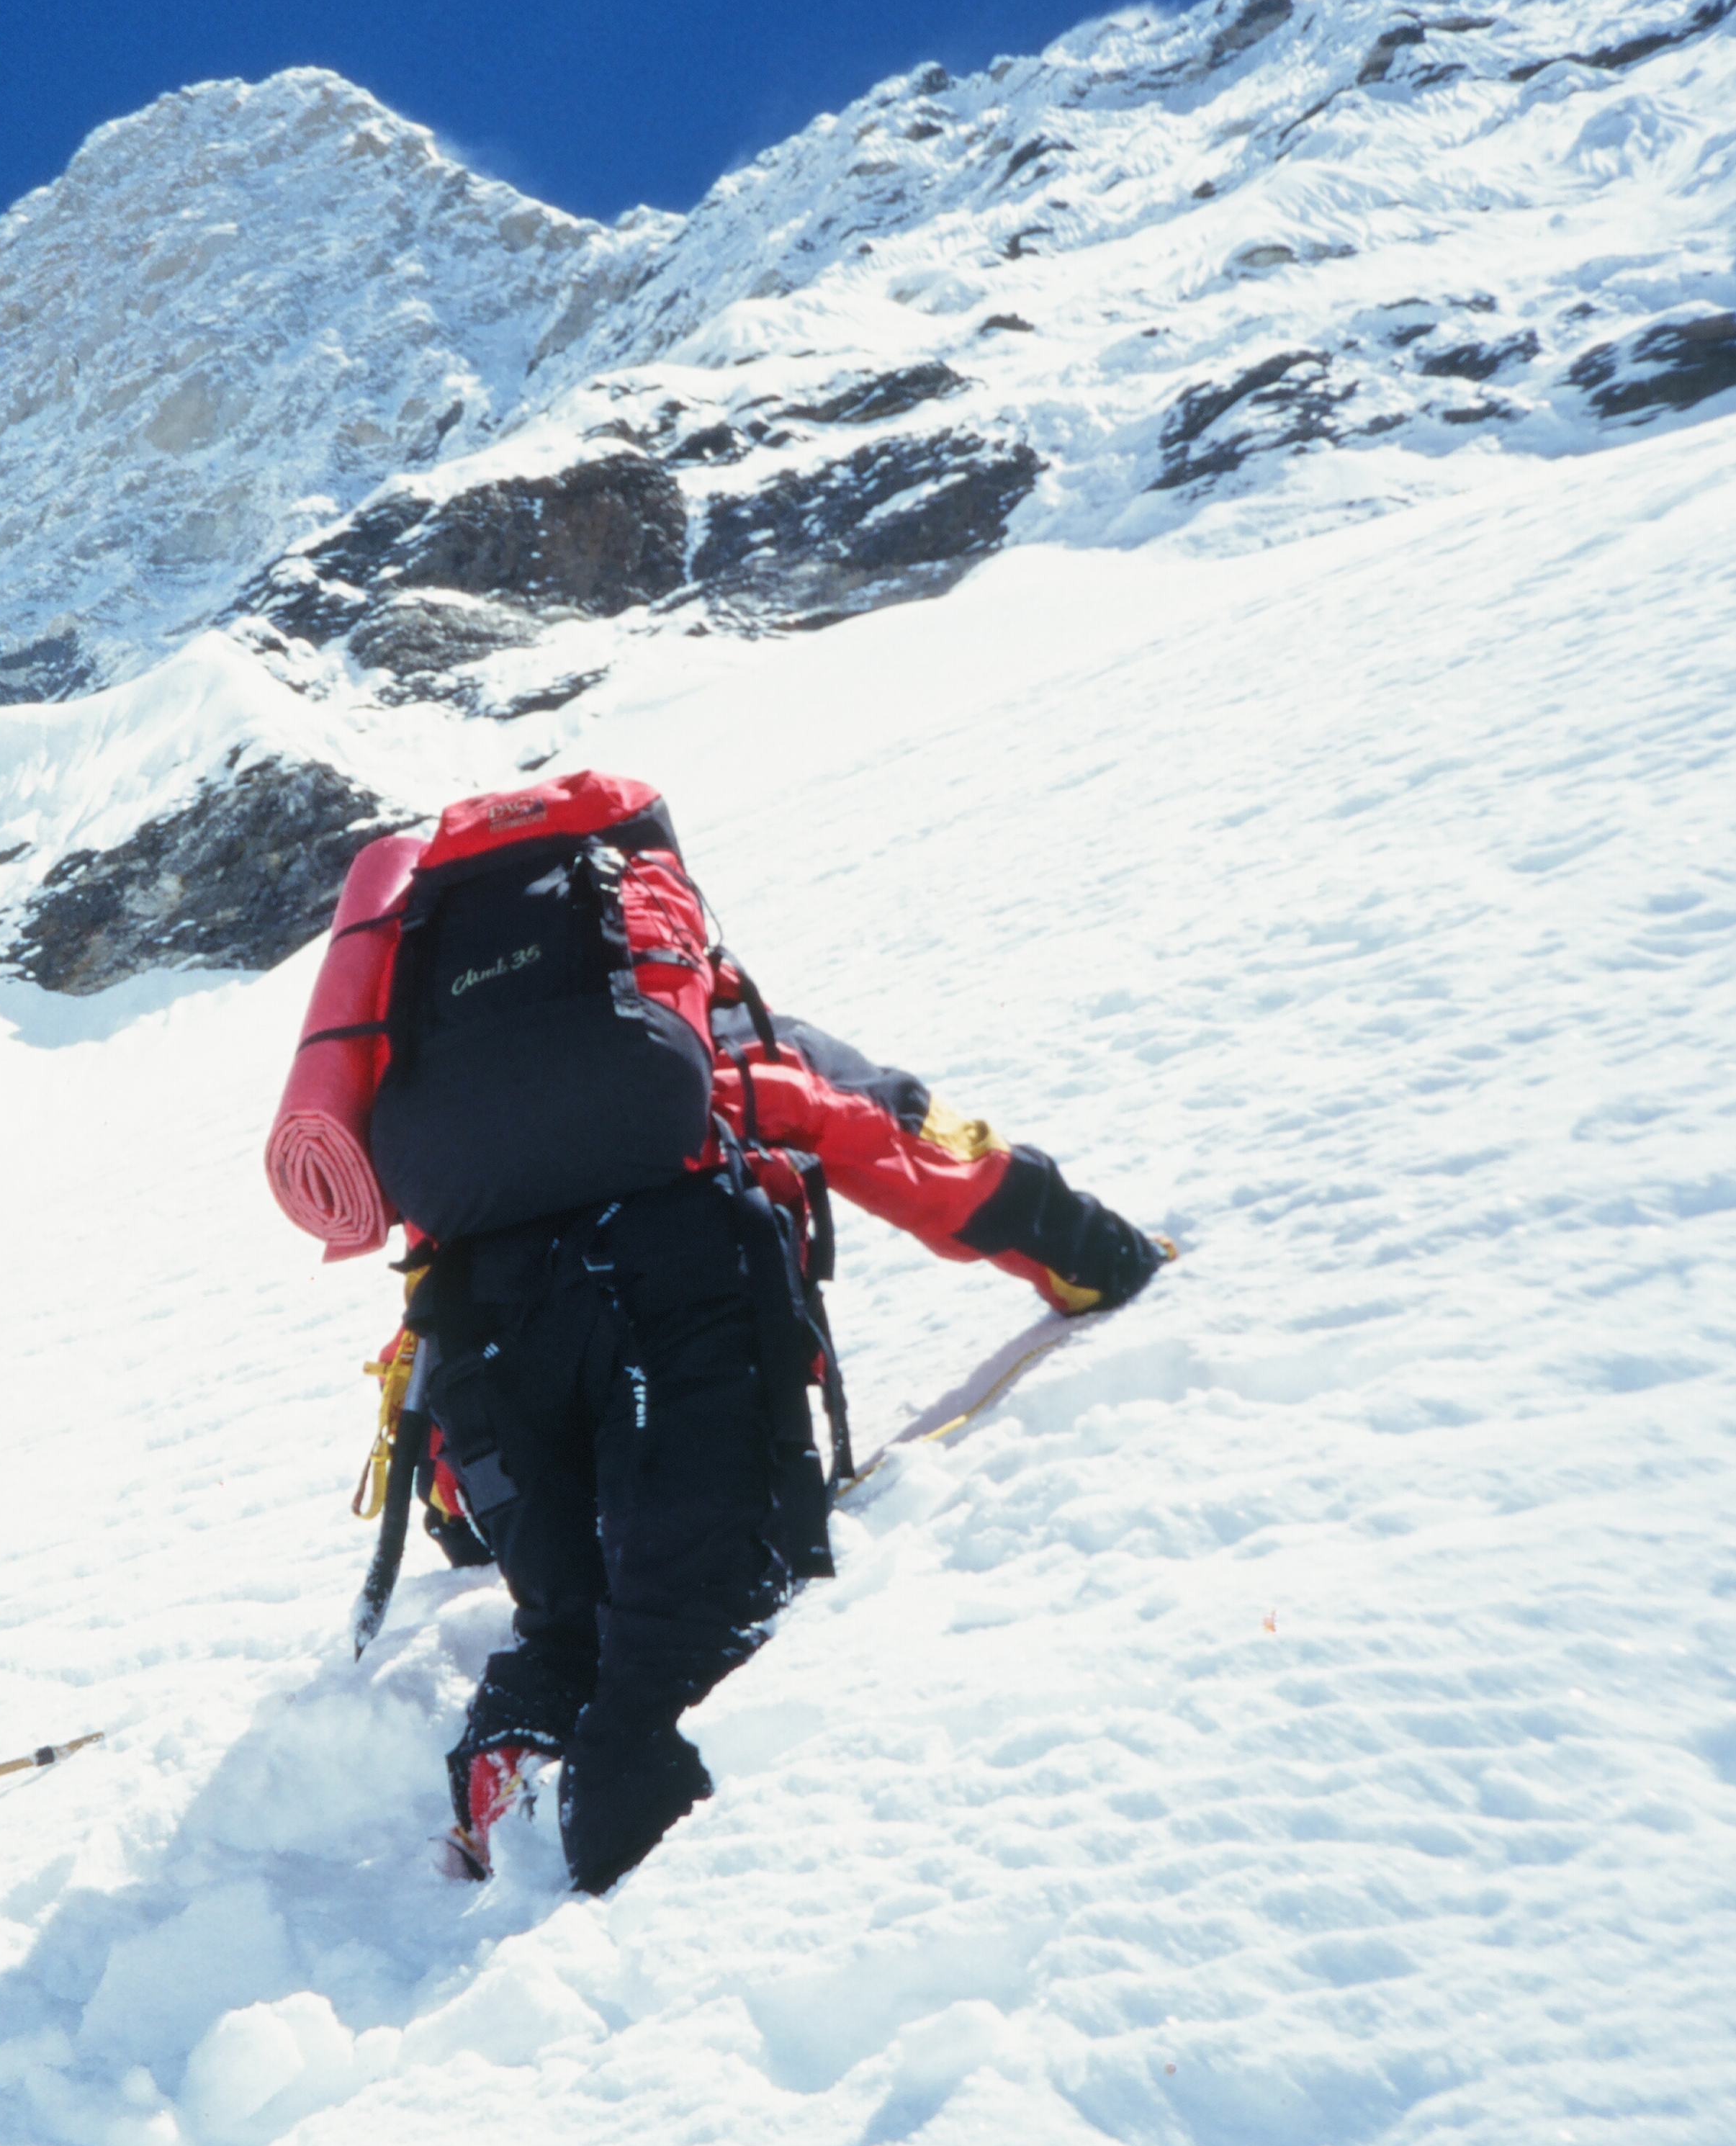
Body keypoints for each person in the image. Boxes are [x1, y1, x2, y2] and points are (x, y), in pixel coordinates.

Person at [346, 773, 1161, 1891]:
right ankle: (629, 1902)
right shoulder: (695, 1037)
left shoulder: (442, 1091)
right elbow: (917, 1150)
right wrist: (1097, 1257)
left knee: (563, 1626)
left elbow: (426, 1328)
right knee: (691, 1630)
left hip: (495, 1358)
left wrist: (461, 1512)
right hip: (681, 1307)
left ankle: (512, 1794)